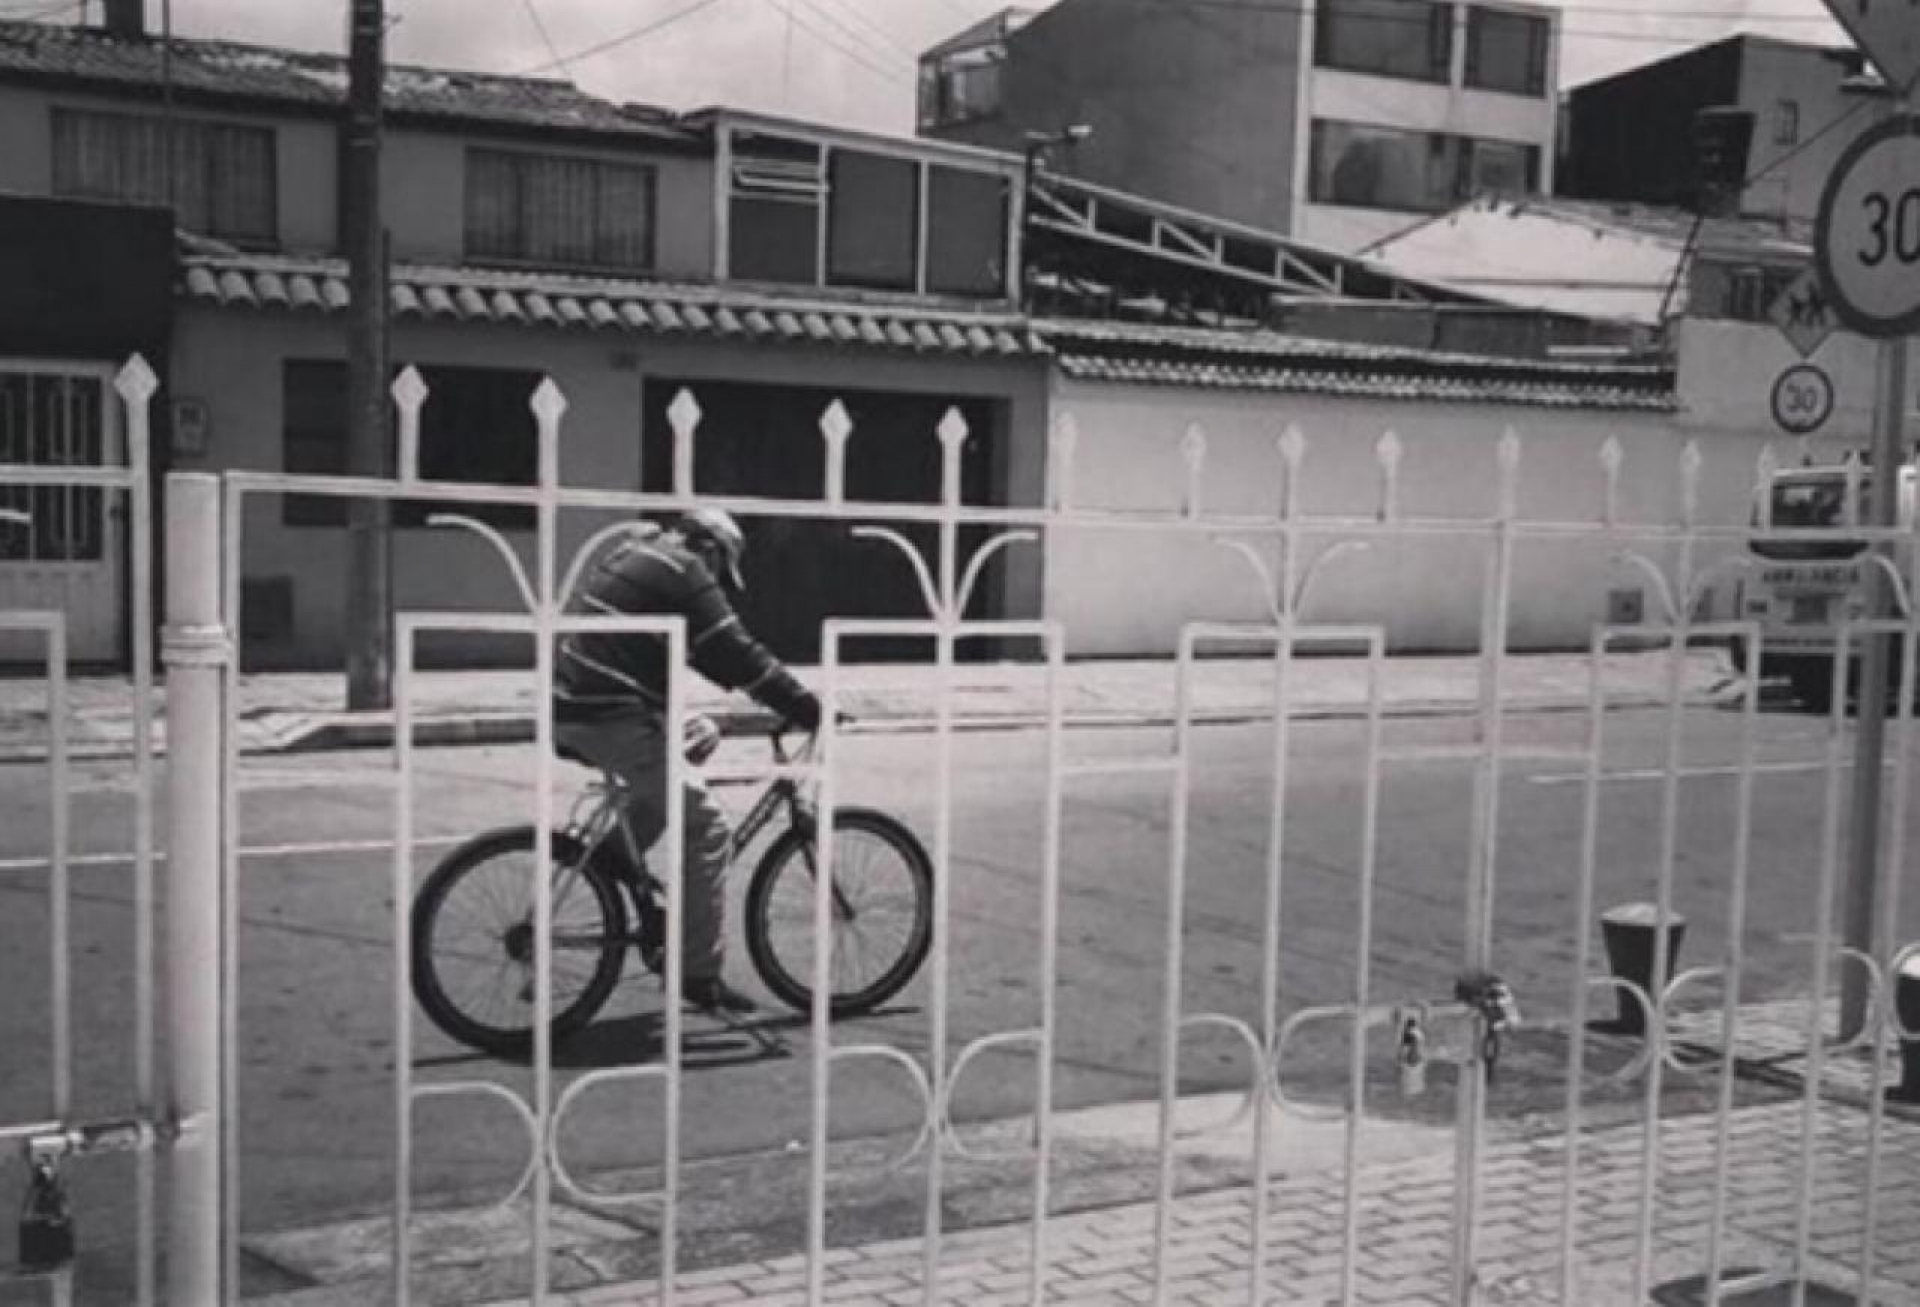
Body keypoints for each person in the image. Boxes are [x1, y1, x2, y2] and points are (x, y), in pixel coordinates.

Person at [554, 507, 822, 1015]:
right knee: (709, 828)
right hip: (608, 715)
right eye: (721, 568)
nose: (716, 579)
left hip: (576, 705)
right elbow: (732, 650)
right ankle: (697, 973)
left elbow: (691, 651)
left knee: (691, 748)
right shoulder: (683, 568)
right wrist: (804, 706)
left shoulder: (635, 553)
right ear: (710, 548)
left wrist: (699, 712)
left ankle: (614, 865)